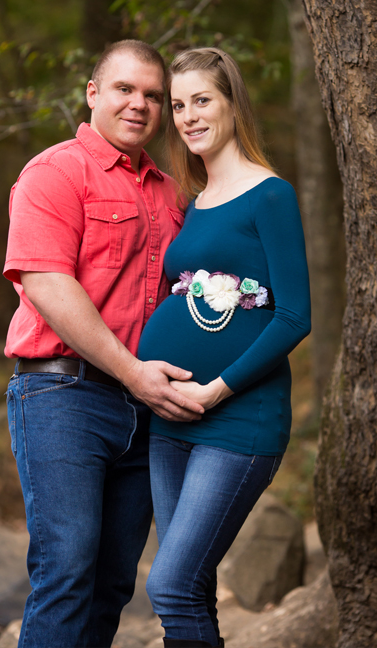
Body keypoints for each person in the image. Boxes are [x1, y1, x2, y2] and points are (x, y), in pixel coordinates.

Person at [3, 40, 206, 648]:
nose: (139, 104)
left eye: (152, 95)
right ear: (92, 94)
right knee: (66, 570)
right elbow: (46, 283)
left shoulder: (172, 193)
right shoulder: (55, 171)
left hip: (148, 411)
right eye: (124, 89)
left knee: (115, 582)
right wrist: (133, 372)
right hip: (62, 394)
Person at [137, 48, 311, 648]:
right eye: (178, 105)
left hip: (236, 419)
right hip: (169, 420)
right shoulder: (192, 200)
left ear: (233, 103)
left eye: (202, 100)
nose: (187, 117)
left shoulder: (270, 195)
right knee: (192, 589)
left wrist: (213, 391)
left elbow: (293, 317)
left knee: (170, 585)